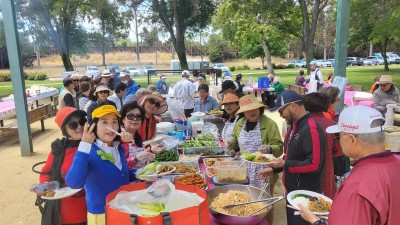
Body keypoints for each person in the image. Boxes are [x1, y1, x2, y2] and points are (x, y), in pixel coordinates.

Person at [299, 106, 400, 225]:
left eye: (338, 136)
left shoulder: (357, 186)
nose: (338, 141)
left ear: (352, 139)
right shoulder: (395, 164)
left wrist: (315, 221)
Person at [66, 104, 137, 225]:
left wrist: (141, 174)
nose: (111, 127)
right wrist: (83, 146)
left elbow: (119, 175)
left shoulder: (117, 147)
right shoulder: (87, 151)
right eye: (104, 122)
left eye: (114, 122)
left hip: (123, 210)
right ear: (94, 126)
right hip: (101, 216)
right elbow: (73, 183)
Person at [262, 90, 326, 225]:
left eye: (281, 111)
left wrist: (284, 164)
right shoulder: (294, 126)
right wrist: (276, 169)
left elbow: (314, 164)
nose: (280, 115)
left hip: (306, 195)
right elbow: (292, 156)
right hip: (293, 192)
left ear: (292, 106)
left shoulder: (310, 127)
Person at [228, 94, 283, 225]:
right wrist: (231, 143)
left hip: (264, 170)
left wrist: (269, 148)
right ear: (243, 112)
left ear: (260, 109)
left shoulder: (270, 124)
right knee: (246, 199)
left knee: (265, 202)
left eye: (255, 108)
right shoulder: (240, 123)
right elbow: (236, 143)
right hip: (244, 168)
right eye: (248, 109)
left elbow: (280, 147)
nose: (252, 112)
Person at [39, 107, 87, 225]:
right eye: (73, 125)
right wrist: (45, 185)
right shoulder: (59, 150)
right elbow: (46, 172)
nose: (80, 127)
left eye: (82, 122)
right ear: (65, 130)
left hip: (91, 208)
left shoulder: (94, 145)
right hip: (65, 211)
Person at [303, 93, 342, 199]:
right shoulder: (332, 125)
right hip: (327, 172)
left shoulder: (301, 125)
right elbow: (338, 151)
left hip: (306, 173)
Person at [119, 102, 166, 169]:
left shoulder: (136, 135)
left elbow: (140, 154)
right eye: (130, 116)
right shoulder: (120, 137)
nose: (135, 119)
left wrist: (151, 151)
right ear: (123, 119)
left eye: (138, 117)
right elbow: (119, 166)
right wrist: (135, 159)